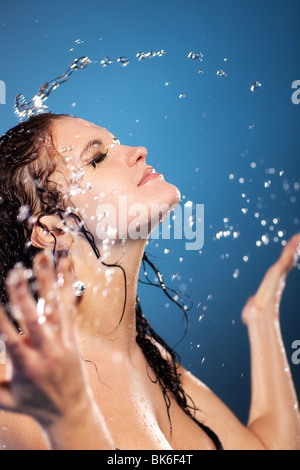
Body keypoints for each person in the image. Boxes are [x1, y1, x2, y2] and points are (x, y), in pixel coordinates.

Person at [0, 113, 299, 450]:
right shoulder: (24, 392)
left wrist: (264, 319)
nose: (138, 150)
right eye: (97, 158)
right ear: (52, 230)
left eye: (115, 144)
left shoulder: (146, 355)